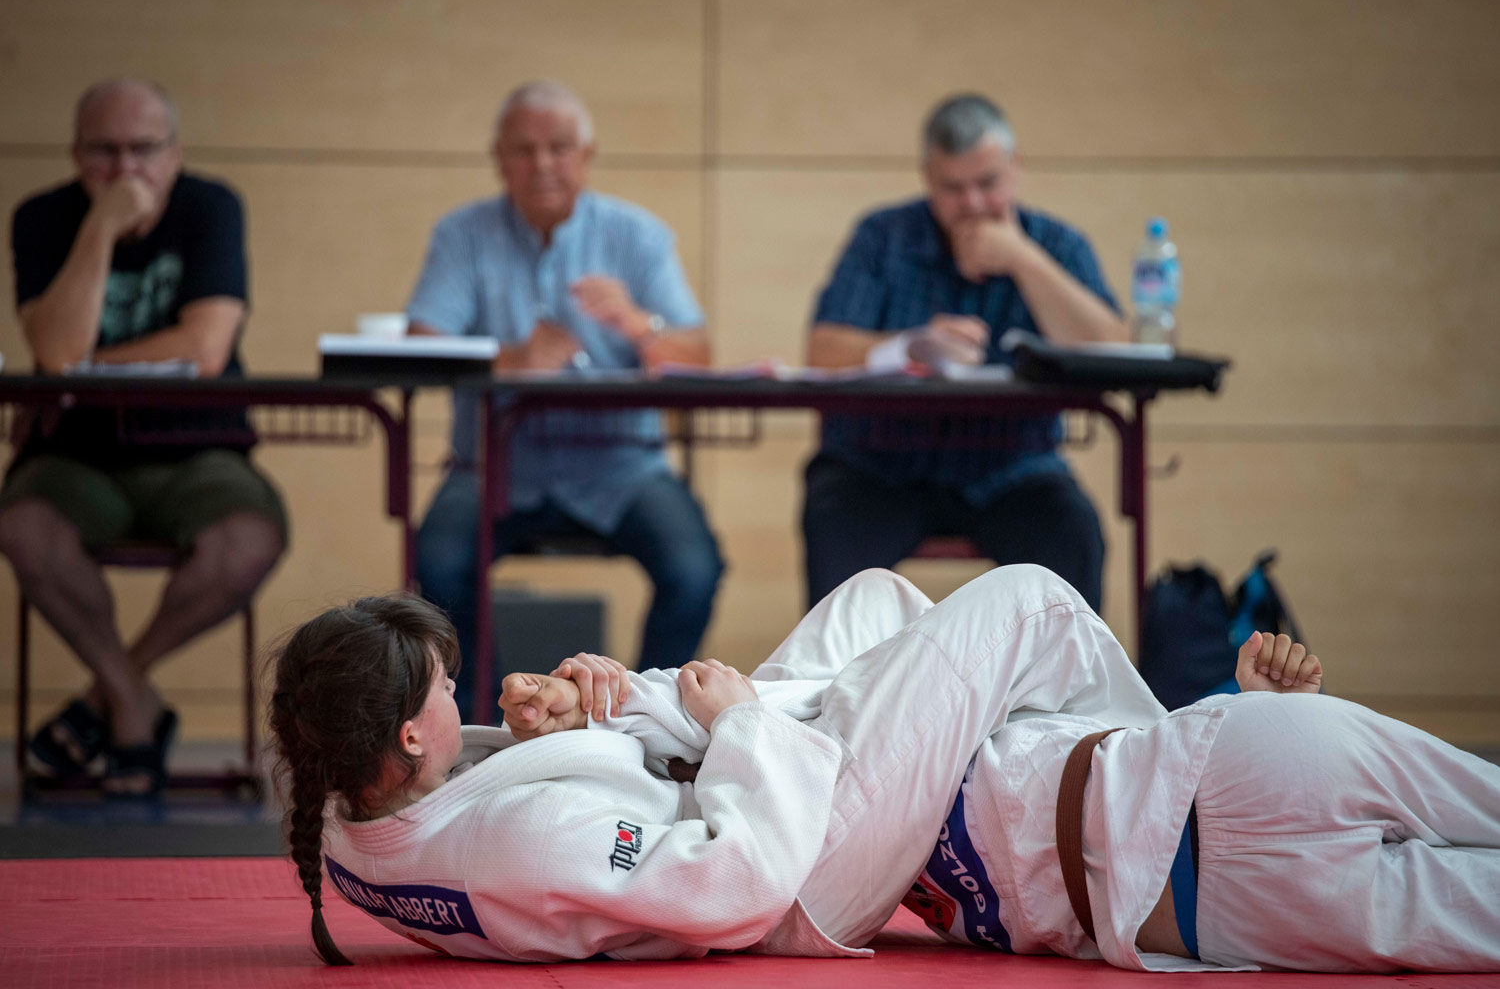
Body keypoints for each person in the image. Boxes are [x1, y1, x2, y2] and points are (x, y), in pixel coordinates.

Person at [269, 566, 1500, 972]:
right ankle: (1167, 737)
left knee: (878, 601)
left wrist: (592, 720)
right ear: (408, 737)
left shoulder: (355, 817)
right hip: (800, 866)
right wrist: (736, 728)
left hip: (1157, 875)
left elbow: (529, 814)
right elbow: (725, 878)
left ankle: (1165, 740)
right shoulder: (507, 839)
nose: (464, 690)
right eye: (442, 690)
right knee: (1026, 599)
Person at [0, 78, 286, 796]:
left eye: (143, 149)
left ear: (174, 152)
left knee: (249, 538)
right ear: (76, 155)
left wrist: (86, 366)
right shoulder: (42, 217)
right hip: (74, 454)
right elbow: (55, 350)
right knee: (26, 529)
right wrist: (100, 228)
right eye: (105, 151)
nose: (125, 168)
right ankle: (133, 707)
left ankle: (110, 693)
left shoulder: (209, 207)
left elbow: (207, 348)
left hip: (199, 446)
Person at [407, 79, 723, 716]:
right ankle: (481, 726)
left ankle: (641, 718)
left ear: (587, 155)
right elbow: (420, 348)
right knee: (436, 563)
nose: (543, 163)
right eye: (524, 150)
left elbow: (697, 355)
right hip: (493, 466)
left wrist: (639, 325)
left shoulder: (639, 235)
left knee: (695, 569)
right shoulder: (463, 234)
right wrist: (510, 360)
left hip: (623, 467)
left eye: (559, 147)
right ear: (500, 159)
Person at [802, 93, 1128, 611]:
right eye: (953, 188)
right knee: (833, 526)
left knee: (1074, 533)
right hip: (879, 466)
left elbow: (1114, 352)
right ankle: (844, 670)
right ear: (927, 178)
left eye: (987, 183)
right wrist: (907, 346)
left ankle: (1064, 670)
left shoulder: (1057, 245)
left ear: (1016, 168)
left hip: (1015, 468)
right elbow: (821, 351)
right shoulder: (882, 239)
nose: (973, 203)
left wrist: (1024, 261)